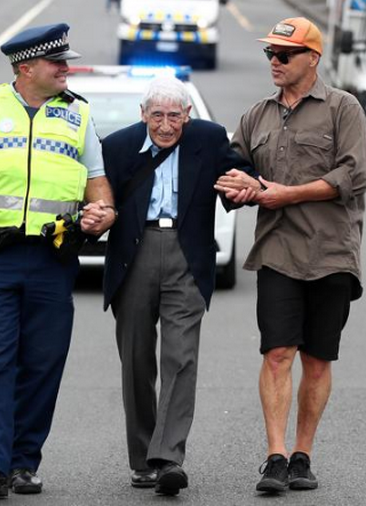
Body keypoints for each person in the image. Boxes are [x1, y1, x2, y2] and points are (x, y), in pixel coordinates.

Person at [0, 23, 116, 498]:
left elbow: (98, 183)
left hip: (53, 257)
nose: (66, 69)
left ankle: (23, 461)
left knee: (42, 361)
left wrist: (103, 214)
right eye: (58, 63)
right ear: (26, 68)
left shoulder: (78, 115)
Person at [215, 17, 366, 493]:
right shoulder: (256, 115)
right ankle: (275, 456)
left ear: (313, 58)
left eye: (284, 54)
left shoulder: (344, 109)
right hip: (278, 253)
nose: (274, 62)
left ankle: (303, 454)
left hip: (331, 255)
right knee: (278, 353)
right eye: (270, 54)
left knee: (318, 359)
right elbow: (232, 168)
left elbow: (351, 177)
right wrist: (237, 184)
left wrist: (287, 195)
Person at [101, 75, 255, 496]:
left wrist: (244, 186)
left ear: (187, 116)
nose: (166, 125)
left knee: (180, 356)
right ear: (142, 115)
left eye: (174, 116)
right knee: (135, 358)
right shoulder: (116, 147)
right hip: (136, 254)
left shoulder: (207, 138)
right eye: (157, 116)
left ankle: (168, 457)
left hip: (187, 254)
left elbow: (239, 173)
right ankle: (141, 459)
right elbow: (98, 198)